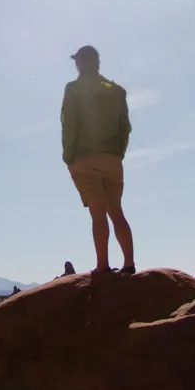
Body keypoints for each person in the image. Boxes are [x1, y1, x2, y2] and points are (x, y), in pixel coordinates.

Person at [61, 45, 135, 275]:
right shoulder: (117, 91)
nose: (77, 65)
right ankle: (129, 264)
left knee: (97, 212)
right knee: (116, 211)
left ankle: (103, 266)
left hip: (85, 158)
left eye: (78, 61)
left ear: (83, 62)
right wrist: (117, 154)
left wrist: (69, 158)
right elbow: (126, 128)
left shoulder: (74, 89)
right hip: (112, 160)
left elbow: (69, 125)